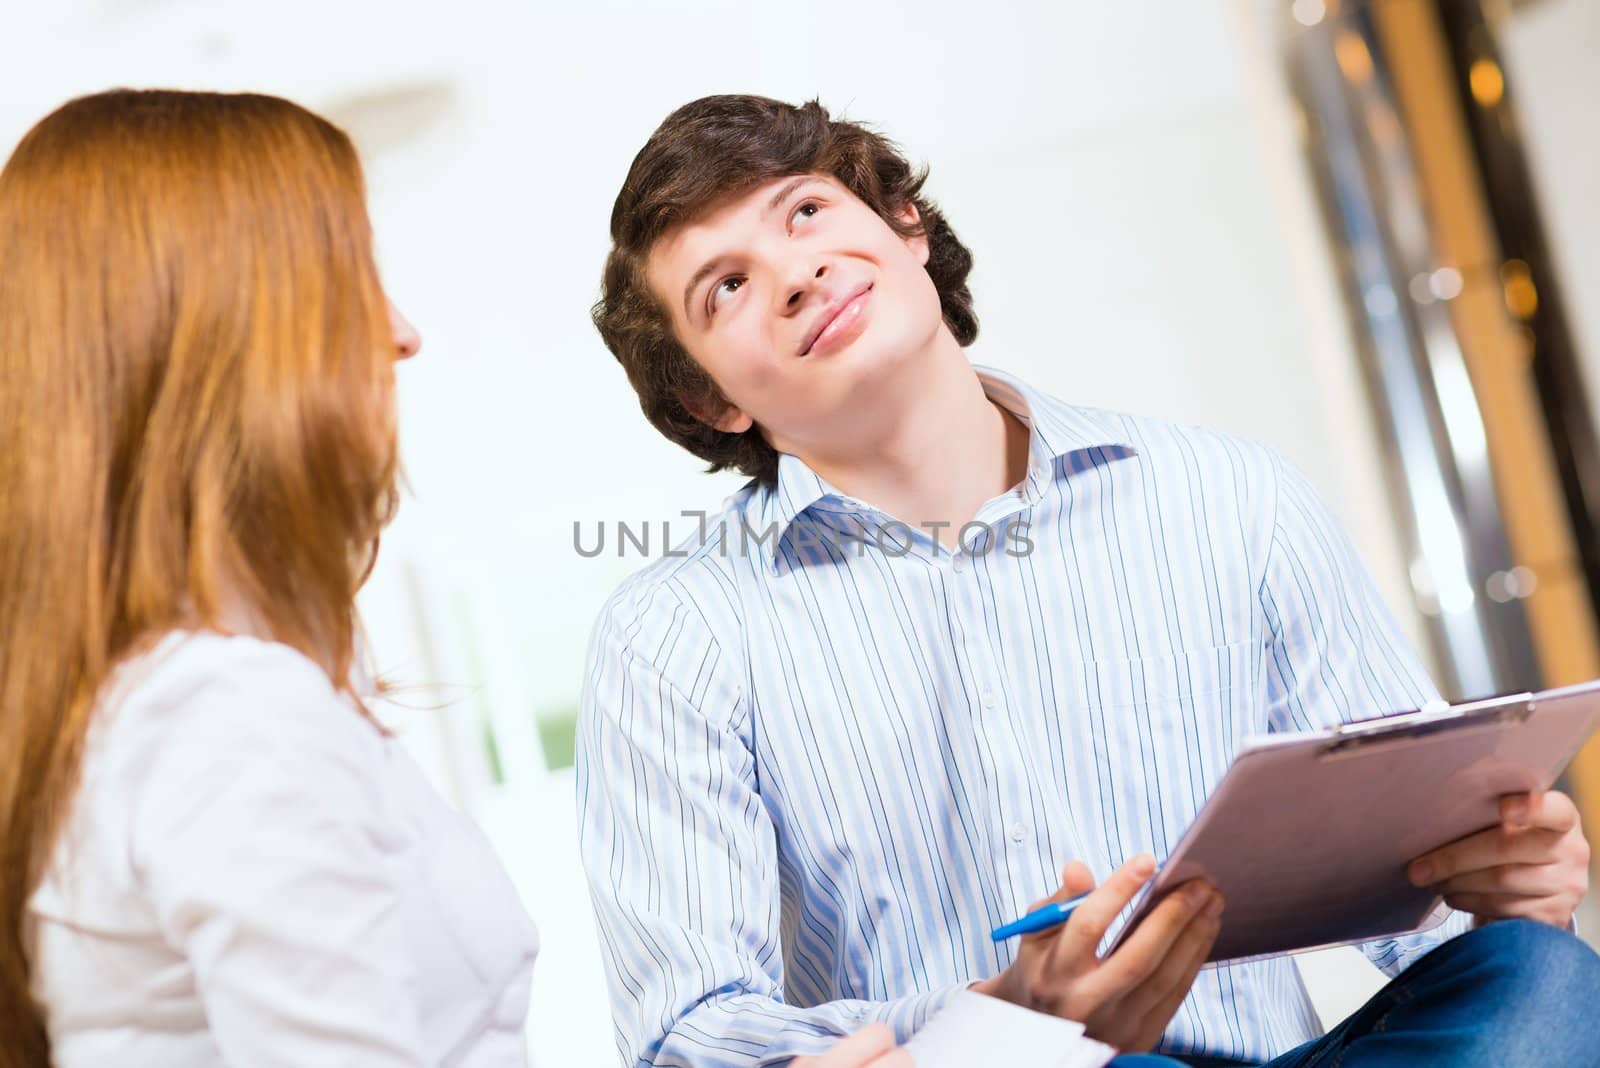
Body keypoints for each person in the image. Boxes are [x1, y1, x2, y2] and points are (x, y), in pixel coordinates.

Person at [578, 94, 1600, 1067]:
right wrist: (1005, 1021)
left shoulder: (1228, 496)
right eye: (729, 286)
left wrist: (1503, 893)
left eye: (805, 212)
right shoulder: (675, 634)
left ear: (905, 228)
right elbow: (687, 1032)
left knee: (1539, 973)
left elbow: (1425, 917)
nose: (795, 273)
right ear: (711, 401)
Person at [1, 90, 538, 1068]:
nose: (403, 331)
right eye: (351, 274)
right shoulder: (227, 711)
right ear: (225, 334)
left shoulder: (161, 698)